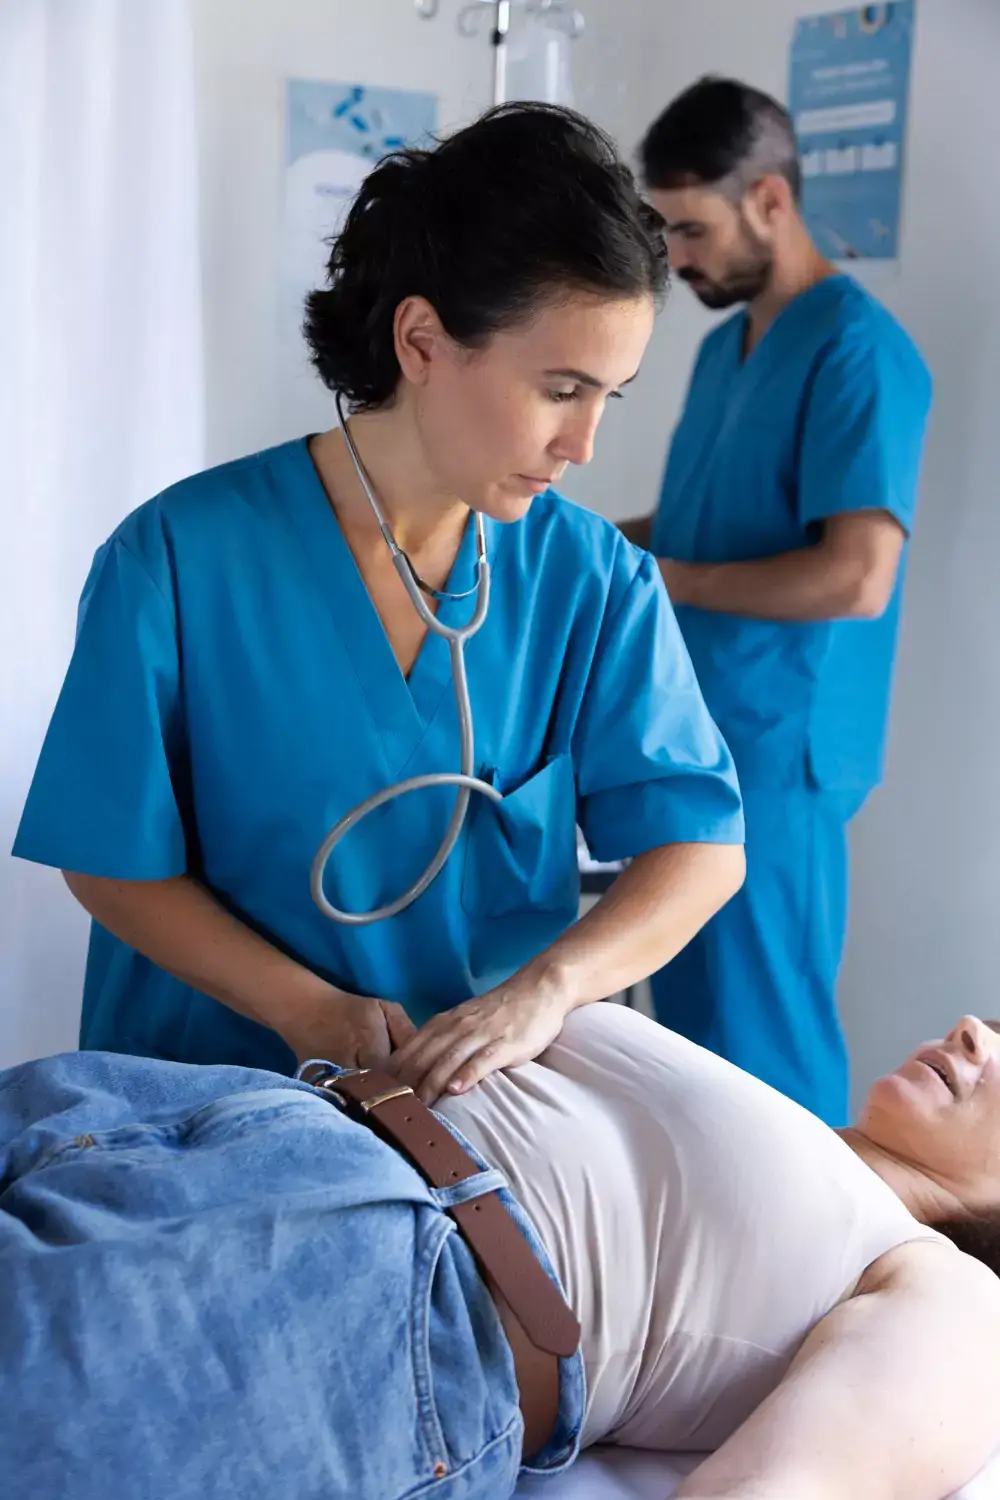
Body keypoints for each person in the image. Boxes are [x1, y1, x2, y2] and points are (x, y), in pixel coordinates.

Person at [12, 104, 745, 1101]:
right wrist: (303, 1010)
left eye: (607, 397)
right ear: (421, 339)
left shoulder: (591, 578)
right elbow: (108, 861)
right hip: (203, 1108)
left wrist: (545, 990)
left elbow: (700, 845)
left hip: (471, 1117)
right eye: (560, 389)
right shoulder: (180, 559)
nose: (584, 447)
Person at [2, 1000, 999, 1500]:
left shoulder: (947, 1292)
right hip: (200, 1117)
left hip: (366, 1278)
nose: (972, 1031)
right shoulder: (794, 1134)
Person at [619, 77, 934, 1128]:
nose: (676, 256)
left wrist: (669, 582)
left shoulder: (856, 350)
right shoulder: (724, 351)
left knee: (766, 1059)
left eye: (690, 228)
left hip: (777, 761)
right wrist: (569, 541)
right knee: (689, 1064)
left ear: (769, 200)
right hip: (692, 741)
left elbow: (856, 574)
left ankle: (811, 1287)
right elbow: (697, 521)